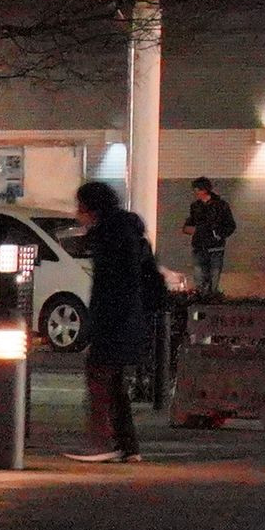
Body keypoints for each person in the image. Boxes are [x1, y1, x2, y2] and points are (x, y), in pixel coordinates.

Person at [66, 180, 160, 464]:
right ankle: (127, 446)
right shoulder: (129, 232)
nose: (78, 213)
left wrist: (97, 323)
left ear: (92, 208)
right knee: (114, 381)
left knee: (100, 376)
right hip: (131, 317)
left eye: (81, 206)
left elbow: (110, 285)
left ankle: (103, 442)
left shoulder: (109, 236)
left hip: (114, 319)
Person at [183, 177, 237, 301]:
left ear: (204, 190)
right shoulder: (195, 206)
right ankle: (202, 297)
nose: (195, 193)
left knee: (213, 274)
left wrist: (217, 234)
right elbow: (191, 223)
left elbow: (230, 225)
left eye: (197, 190)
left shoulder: (220, 206)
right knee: (199, 274)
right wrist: (189, 228)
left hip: (215, 246)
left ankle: (211, 297)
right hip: (199, 245)